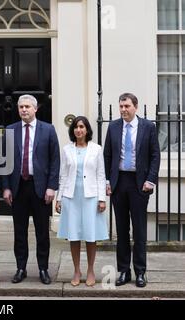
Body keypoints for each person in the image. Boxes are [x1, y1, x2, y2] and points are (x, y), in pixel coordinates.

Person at [2, 94, 60, 285]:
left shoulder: (48, 130)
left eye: (27, 106)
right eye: (21, 107)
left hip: (41, 188)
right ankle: (21, 268)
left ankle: (43, 268)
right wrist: (6, 188)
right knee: (20, 231)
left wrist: (52, 187)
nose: (24, 110)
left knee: (42, 231)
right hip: (18, 187)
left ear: (35, 109)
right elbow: (5, 162)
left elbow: (55, 161)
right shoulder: (10, 130)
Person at [104, 93, 160, 288]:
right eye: (121, 106)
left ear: (135, 106)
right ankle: (123, 271)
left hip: (139, 183)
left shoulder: (148, 127)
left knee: (139, 230)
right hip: (119, 182)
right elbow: (108, 156)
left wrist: (150, 180)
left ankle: (140, 272)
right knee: (121, 230)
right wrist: (108, 181)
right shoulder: (113, 127)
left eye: (126, 106)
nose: (123, 110)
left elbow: (155, 155)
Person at [56, 116, 108, 287]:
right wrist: (59, 198)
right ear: (73, 131)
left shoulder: (96, 149)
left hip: (90, 197)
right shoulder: (66, 150)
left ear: (87, 130)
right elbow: (63, 175)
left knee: (90, 236)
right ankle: (77, 270)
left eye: (82, 127)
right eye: (76, 127)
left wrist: (102, 199)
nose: (79, 130)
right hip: (71, 197)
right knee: (74, 235)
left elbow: (101, 175)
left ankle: (91, 270)